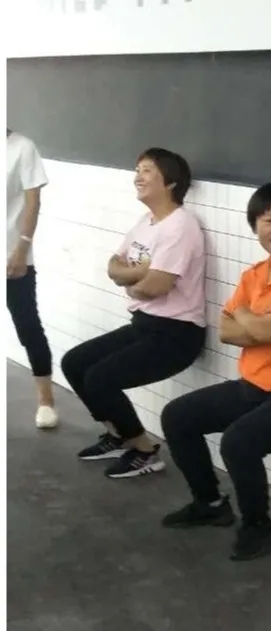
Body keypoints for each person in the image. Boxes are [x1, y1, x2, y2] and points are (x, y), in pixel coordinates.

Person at [159, 183, 271, 561]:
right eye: (268, 220)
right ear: (255, 225)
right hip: (256, 384)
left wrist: (244, 315)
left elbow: (268, 331)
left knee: (238, 443)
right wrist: (253, 323)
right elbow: (226, 331)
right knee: (177, 416)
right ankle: (209, 503)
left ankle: (258, 525)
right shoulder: (255, 274)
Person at [60, 148, 206, 479]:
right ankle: (118, 436)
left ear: (170, 182)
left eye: (147, 170)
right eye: (137, 170)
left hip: (176, 334)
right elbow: (114, 265)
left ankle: (144, 450)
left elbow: (155, 287)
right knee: (74, 363)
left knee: (100, 379)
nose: (138, 177)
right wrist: (138, 274)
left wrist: (133, 282)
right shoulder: (146, 222)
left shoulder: (181, 226)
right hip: (144, 324)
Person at [6, 130, 58, 429]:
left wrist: (22, 248)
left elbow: (33, 202)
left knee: (28, 327)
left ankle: (45, 400)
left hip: (11, 256)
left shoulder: (22, 147)